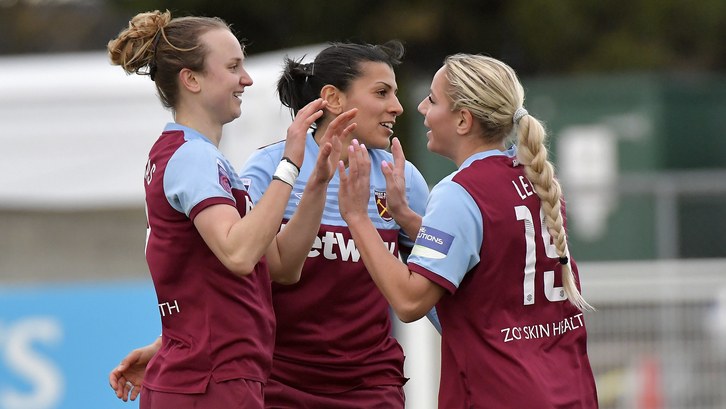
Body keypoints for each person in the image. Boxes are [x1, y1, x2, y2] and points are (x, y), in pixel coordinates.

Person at [109, 40, 430, 409]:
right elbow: (244, 275)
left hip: (371, 384)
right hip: (279, 381)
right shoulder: (269, 169)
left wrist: (477, 349)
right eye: (381, 92)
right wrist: (172, 343)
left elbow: (434, 277)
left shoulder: (402, 179)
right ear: (334, 99)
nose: (397, 106)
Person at [337, 54, 599, 408]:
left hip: (498, 394)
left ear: (463, 120)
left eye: (432, 99)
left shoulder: (460, 192)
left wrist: (357, 217)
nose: (420, 107)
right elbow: (484, 254)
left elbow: (410, 301)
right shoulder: (536, 178)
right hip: (571, 391)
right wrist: (406, 216)